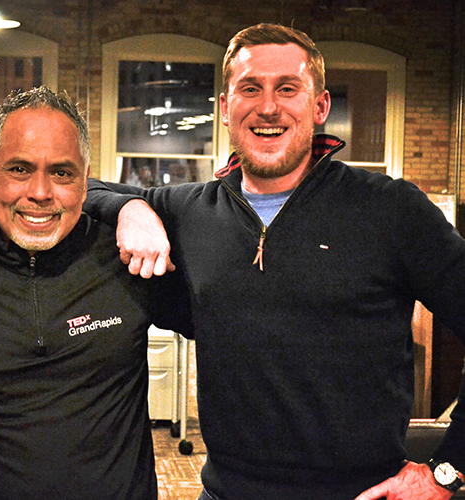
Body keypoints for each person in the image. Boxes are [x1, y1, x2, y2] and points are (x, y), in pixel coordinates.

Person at [83, 23, 465, 500]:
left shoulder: (391, 209)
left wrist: (448, 470)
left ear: (320, 106)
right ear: (226, 108)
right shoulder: (191, 210)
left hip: (362, 494)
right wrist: (129, 208)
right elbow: (81, 187)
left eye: (288, 88)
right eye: (250, 88)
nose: (267, 107)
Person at [0, 86, 190, 500]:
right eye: (19, 169)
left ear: (86, 183)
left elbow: (237, 330)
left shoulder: (126, 259)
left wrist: (127, 206)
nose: (39, 192)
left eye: (61, 173)